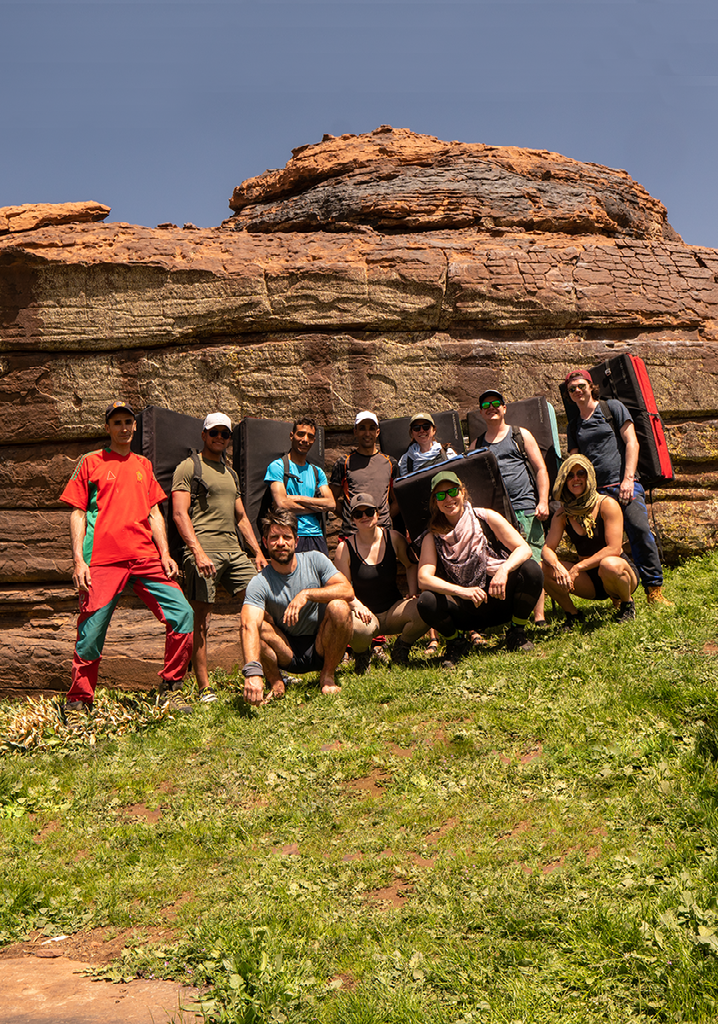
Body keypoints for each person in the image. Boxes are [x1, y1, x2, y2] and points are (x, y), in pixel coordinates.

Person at [60, 401, 194, 727]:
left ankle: (171, 687)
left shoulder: (143, 465)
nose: (124, 428)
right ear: (107, 427)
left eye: (128, 422)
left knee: (182, 613)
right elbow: (77, 512)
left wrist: (164, 553)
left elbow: (154, 513)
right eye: (117, 422)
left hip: (145, 557)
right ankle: (78, 702)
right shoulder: (91, 462)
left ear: (135, 427)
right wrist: (79, 560)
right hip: (102, 561)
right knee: (91, 631)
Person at [172, 412, 267, 704]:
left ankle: (266, 671)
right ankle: (204, 688)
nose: (220, 438)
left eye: (225, 434)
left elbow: (241, 518)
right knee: (201, 619)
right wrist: (197, 552)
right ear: (204, 435)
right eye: (214, 433)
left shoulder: (231, 473)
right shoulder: (188, 467)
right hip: (203, 550)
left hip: (234, 550)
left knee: (259, 604)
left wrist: (257, 552)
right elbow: (179, 513)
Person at [565, 369, 672, 607]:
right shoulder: (574, 426)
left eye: (581, 386)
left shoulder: (610, 408)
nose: (577, 391)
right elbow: (575, 463)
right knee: (605, 544)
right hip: (597, 494)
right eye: (572, 389)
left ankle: (654, 589)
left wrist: (628, 479)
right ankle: (618, 594)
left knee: (639, 532)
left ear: (590, 386)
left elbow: (631, 442)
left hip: (623, 484)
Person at [416, 470, 544, 668]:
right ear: (435, 502)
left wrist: (504, 571)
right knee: (426, 601)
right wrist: (461, 591)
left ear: (462, 492)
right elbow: (424, 579)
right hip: (466, 606)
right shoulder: (432, 536)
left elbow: (523, 548)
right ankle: (456, 642)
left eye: (452, 491)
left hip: (499, 595)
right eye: (440, 495)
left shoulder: (485, 517)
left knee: (531, 570)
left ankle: (516, 632)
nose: (448, 499)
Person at [241, 509, 354, 705]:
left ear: (296, 540)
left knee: (340, 607)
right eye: (274, 537)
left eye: (287, 537)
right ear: (265, 542)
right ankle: (276, 680)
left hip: (322, 644)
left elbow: (347, 590)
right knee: (253, 626)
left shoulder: (315, 559)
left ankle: (327, 676)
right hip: (285, 650)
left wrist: (307, 594)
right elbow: (248, 625)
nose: (281, 543)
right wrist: (252, 672)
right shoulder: (259, 582)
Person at [474, 389, 550, 626]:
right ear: (481, 412)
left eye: (496, 403)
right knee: (503, 562)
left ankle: (539, 617)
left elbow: (540, 469)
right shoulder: (477, 443)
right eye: (486, 404)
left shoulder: (520, 435)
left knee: (533, 560)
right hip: (497, 516)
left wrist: (544, 501)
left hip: (526, 508)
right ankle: (511, 615)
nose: (491, 407)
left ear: (504, 408)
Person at [334, 493, 429, 672]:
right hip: (365, 616)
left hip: (394, 611)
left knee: (426, 607)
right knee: (353, 626)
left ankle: (401, 648)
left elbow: (411, 565)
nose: (364, 517)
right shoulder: (344, 548)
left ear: (377, 514)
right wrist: (357, 606)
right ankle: (362, 655)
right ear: (352, 519)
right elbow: (342, 587)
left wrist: (413, 591)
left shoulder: (393, 538)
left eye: (369, 512)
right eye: (358, 514)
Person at [541, 455, 639, 625]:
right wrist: (557, 567)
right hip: (589, 580)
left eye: (581, 473)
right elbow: (547, 549)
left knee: (609, 564)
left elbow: (614, 548)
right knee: (542, 568)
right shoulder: (562, 513)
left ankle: (626, 604)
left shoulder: (606, 504)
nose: (576, 479)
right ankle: (573, 615)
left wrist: (578, 567)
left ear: (590, 476)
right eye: (570, 475)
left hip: (617, 571)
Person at [263, 416, 335, 555]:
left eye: (310, 436)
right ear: (292, 435)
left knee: (320, 577)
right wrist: (317, 508)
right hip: (289, 535)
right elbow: (282, 504)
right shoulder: (278, 467)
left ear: (314, 440)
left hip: (316, 536)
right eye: (301, 434)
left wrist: (298, 498)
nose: (305, 440)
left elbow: (331, 504)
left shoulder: (317, 472)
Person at [330, 411, 398, 536]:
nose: (367, 433)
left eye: (372, 429)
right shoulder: (344, 463)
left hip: (383, 534)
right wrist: (352, 518)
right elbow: (332, 500)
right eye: (362, 429)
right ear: (355, 432)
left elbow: (398, 501)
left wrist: (383, 518)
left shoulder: (390, 463)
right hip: (352, 534)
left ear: (377, 432)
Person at [396, 412, 457, 477]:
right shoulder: (406, 460)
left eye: (426, 426)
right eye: (416, 428)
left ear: (434, 430)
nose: (421, 430)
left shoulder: (448, 454)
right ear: (412, 433)